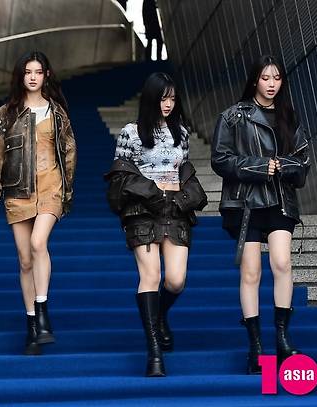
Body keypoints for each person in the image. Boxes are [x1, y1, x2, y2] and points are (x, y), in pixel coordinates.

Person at [211, 55, 310, 374]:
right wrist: (257, 166)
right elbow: (219, 159)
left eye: (277, 78)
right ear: (255, 80)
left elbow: (303, 160)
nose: (271, 84)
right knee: (251, 272)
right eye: (266, 78)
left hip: (280, 199)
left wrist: (283, 166)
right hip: (246, 202)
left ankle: (282, 338)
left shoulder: (288, 115)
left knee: (282, 263)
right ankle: (255, 346)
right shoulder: (233, 116)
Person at [105, 72, 207, 376]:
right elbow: (120, 176)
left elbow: (182, 169)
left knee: (175, 280)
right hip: (143, 211)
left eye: (172, 98)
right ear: (151, 98)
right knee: (150, 276)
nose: (168, 104)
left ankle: (159, 315)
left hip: (174, 210)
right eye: (163, 98)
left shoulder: (182, 133)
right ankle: (154, 352)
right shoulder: (131, 132)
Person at [0, 51, 76, 355]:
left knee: (37, 242)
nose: (33, 77)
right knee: (24, 259)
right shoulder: (5, 114)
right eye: (28, 72)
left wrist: (66, 190)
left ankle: (42, 312)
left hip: (50, 187)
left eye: (38, 72)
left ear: (46, 75)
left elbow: (69, 151)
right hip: (17, 190)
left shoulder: (57, 113)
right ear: (21, 76)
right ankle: (33, 325)